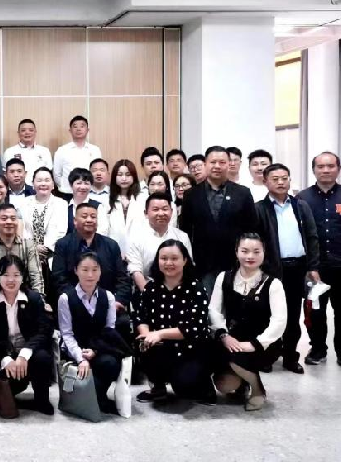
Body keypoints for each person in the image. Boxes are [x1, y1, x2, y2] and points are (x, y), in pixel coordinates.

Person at [298, 151, 341, 370]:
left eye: (330, 166)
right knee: (314, 311)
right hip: (314, 268)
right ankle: (317, 349)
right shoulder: (302, 198)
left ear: (338, 169)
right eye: (320, 166)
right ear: (314, 170)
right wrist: (308, 265)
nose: (326, 170)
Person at [208, 234, 287, 411]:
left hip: (263, 343)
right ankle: (242, 383)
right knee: (224, 384)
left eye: (256, 251)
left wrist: (256, 344)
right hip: (232, 339)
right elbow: (214, 310)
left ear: (264, 253)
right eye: (244, 251)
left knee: (236, 358)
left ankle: (258, 389)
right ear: (236, 252)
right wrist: (223, 335)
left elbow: (280, 320)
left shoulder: (273, 284)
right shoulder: (224, 277)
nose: (250, 256)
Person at [256, 163, 320, 374]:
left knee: (293, 315)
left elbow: (312, 237)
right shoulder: (259, 209)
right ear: (265, 182)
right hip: (271, 270)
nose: (281, 182)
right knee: (270, 315)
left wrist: (313, 266)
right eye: (275, 179)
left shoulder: (301, 206)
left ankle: (290, 357)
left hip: (297, 268)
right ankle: (268, 356)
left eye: (284, 178)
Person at [135, 240, 215, 404]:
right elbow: (141, 317)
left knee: (184, 387)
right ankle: (158, 387)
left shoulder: (196, 288)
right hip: (160, 346)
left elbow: (193, 328)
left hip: (190, 348)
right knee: (142, 344)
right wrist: (146, 336)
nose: (168, 263)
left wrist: (159, 334)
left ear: (185, 260)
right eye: (164, 258)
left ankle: (204, 386)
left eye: (174, 258)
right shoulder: (151, 288)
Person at [57, 253, 130, 414]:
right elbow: (67, 334)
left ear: (100, 271)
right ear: (76, 270)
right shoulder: (65, 298)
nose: (90, 275)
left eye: (95, 269)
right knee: (83, 372)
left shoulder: (108, 297)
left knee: (111, 363)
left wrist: (96, 351)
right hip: (75, 348)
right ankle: (93, 399)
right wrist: (81, 358)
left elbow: (109, 330)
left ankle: (97, 396)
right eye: (85, 269)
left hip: (100, 347)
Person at [178, 146, 258, 292]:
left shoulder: (242, 193)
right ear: (205, 164)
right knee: (207, 303)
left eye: (222, 162)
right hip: (203, 264)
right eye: (213, 162)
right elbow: (185, 230)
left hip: (235, 263)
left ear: (228, 164)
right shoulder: (191, 194)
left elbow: (252, 229)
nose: (217, 166)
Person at [0, 255, 54, 415]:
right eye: (6, 274)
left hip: (28, 353)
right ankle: (8, 389)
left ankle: (41, 399)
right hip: (2, 355)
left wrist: (24, 354)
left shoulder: (33, 299)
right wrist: (6, 359)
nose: (11, 280)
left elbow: (44, 331)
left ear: (23, 277)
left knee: (42, 358)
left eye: (16, 275)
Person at [52, 203, 131, 315]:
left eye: (93, 217)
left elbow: (122, 278)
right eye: (84, 216)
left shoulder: (111, 245)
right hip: (74, 305)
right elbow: (59, 279)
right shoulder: (63, 245)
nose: (89, 220)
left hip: (107, 305)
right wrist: (77, 301)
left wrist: (118, 300)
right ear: (75, 221)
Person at [126, 193, 192, 293]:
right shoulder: (136, 237)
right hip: (147, 289)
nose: (161, 213)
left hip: (179, 291)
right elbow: (135, 270)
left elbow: (187, 266)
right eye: (155, 209)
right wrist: (149, 294)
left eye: (165, 209)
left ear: (171, 212)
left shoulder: (182, 236)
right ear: (146, 213)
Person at [0, 204, 44, 297]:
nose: (9, 222)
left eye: (13, 218)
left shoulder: (29, 245)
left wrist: (39, 300)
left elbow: (36, 276)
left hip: (24, 296)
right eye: (4, 219)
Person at [17, 168, 69, 277]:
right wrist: (33, 248)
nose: (43, 183)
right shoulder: (23, 204)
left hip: (52, 257)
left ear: (53, 185)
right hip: (27, 255)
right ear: (33, 184)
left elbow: (61, 231)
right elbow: (21, 230)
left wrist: (45, 248)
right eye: (39, 180)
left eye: (47, 180)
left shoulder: (61, 204)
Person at [52, 115, 102, 194]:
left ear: (87, 130)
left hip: (89, 192)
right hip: (67, 193)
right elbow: (56, 174)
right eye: (75, 126)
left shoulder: (95, 150)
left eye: (82, 126)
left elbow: (97, 171)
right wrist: (65, 187)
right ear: (70, 130)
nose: (78, 129)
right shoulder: (62, 150)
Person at [106, 159, 143, 256]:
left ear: (134, 176)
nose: (124, 178)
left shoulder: (142, 198)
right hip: (112, 250)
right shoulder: (106, 200)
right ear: (114, 177)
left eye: (128, 174)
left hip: (138, 250)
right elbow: (104, 230)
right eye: (120, 174)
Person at [3, 119, 52, 185]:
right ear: (18, 133)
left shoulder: (44, 151)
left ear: (35, 132)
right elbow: (5, 175)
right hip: (18, 189)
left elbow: (49, 173)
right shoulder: (9, 152)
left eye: (31, 130)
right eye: (23, 130)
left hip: (40, 188)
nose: (27, 133)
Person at [64, 167, 110, 235]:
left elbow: (103, 230)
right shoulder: (64, 206)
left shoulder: (98, 206)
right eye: (79, 183)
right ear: (71, 185)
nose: (83, 187)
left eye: (86, 183)